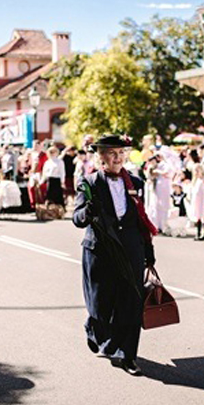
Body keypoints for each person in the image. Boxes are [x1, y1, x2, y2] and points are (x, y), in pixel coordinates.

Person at [72, 134, 157, 377]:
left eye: (121, 153)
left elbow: (140, 219)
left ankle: (128, 355)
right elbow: (77, 219)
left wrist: (148, 251)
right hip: (100, 249)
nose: (118, 158)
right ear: (101, 156)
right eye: (112, 153)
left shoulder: (136, 182)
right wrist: (87, 212)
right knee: (101, 303)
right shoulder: (89, 182)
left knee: (131, 303)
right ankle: (94, 326)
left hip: (130, 248)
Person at [187, 164, 204, 241]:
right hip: (197, 199)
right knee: (198, 215)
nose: (197, 172)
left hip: (203, 199)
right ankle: (198, 233)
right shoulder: (194, 180)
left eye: (198, 170)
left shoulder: (203, 179)